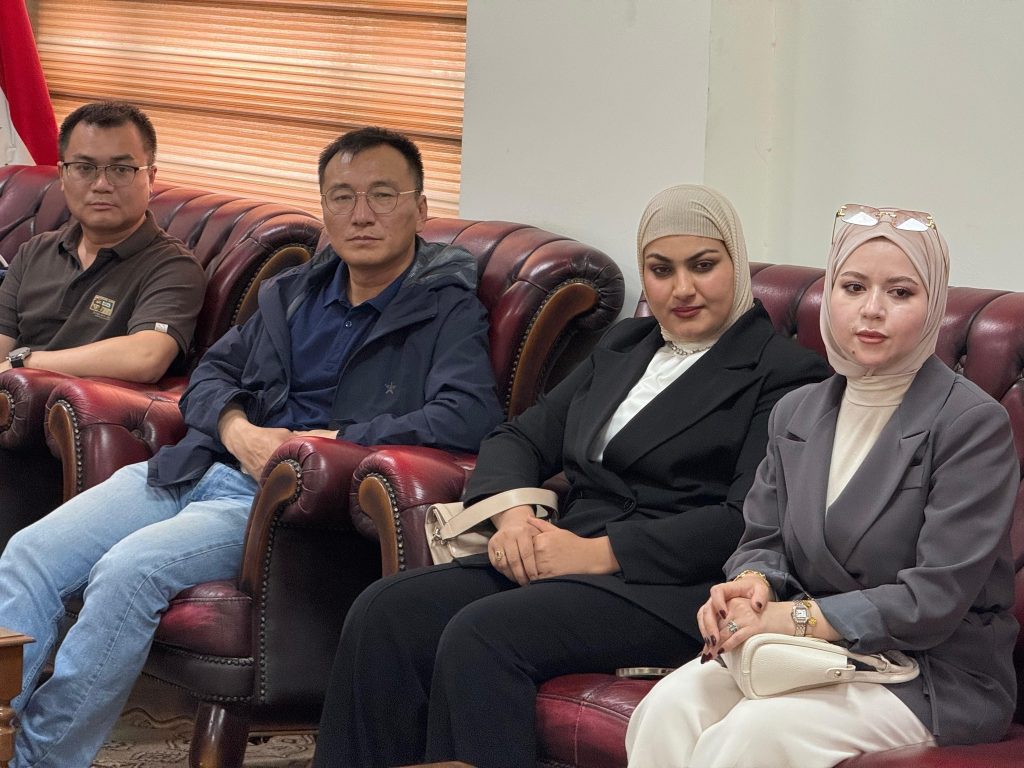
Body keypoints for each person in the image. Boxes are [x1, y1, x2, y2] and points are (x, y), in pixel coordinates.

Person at [0, 125, 503, 768]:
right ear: (325, 209)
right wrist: (237, 428)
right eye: (343, 197)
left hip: (275, 502)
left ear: (420, 208)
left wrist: (336, 441)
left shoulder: (444, 308)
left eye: (383, 195)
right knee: (30, 553)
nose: (362, 214)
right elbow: (211, 373)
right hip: (193, 467)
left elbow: (469, 414)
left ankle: (38, 760)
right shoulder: (293, 292)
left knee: (129, 572)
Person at [311, 185, 831, 768]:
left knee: (483, 633)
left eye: (703, 266)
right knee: (384, 610)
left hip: (673, 585)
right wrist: (514, 519)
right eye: (661, 270)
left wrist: (594, 554)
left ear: (736, 266)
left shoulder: (785, 373)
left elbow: (743, 521)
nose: (682, 289)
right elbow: (518, 438)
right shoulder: (626, 344)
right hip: (561, 556)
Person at [625, 205, 1019, 767]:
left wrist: (791, 618)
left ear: (933, 303)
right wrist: (750, 586)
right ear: (830, 294)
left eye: (900, 292)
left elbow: (934, 600)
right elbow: (763, 539)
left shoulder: (971, 424)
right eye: (853, 287)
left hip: (934, 674)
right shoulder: (797, 411)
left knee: (755, 734)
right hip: (802, 653)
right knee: (667, 707)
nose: (872, 309)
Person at [0, 101, 206, 382]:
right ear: (62, 175)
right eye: (84, 168)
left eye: (121, 169)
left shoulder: (173, 267)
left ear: (150, 178)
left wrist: (25, 363)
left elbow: (147, 357)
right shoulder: (35, 251)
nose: (101, 185)